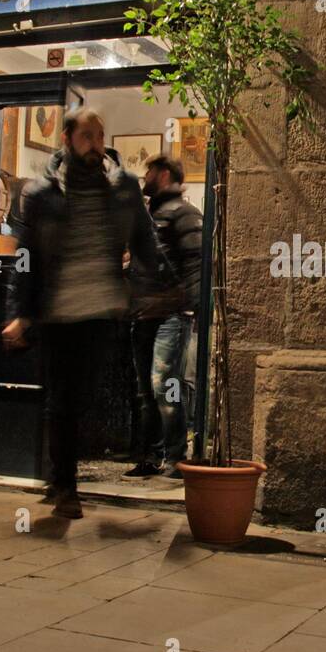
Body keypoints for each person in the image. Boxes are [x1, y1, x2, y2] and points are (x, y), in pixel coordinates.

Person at [1, 108, 172, 519]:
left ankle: (60, 477)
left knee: (79, 400)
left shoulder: (123, 188)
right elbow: (27, 257)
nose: (95, 144)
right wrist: (19, 313)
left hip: (100, 312)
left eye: (99, 135)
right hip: (56, 314)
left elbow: (145, 243)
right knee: (62, 401)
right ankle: (65, 487)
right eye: (87, 137)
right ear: (67, 139)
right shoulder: (43, 193)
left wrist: (165, 288)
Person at [125, 155, 204, 479]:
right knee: (146, 392)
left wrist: (192, 306)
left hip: (171, 315)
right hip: (143, 314)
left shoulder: (184, 213)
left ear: (165, 174)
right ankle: (150, 456)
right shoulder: (148, 214)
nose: (145, 176)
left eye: (150, 171)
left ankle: (176, 457)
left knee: (164, 386)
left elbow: (195, 264)